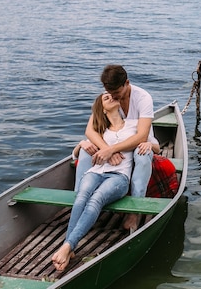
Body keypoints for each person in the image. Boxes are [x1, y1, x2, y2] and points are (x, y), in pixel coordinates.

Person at [52, 92, 136, 272]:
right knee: (82, 196)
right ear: (103, 110)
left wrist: (147, 145)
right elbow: (76, 152)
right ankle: (69, 248)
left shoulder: (133, 125)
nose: (110, 97)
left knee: (96, 199)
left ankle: (67, 246)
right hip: (96, 172)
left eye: (112, 95)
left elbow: (154, 144)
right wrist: (82, 144)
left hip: (119, 177)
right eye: (106, 98)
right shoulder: (100, 131)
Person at [74, 65, 159, 231]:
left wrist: (111, 150)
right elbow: (90, 130)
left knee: (142, 154)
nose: (113, 98)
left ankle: (135, 212)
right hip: (112, 141)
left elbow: (142, 136)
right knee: (86, 149)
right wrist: (106, 149)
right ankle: (77, 201)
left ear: (127, 83)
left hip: (138, 142)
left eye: (117, 94)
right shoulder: (108, 99)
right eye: (109, 93)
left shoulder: (143, 98)